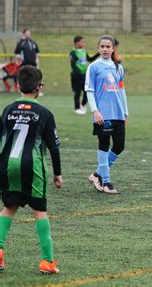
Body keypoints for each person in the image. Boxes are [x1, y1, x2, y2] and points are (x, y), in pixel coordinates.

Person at [0, 66, 63, 274]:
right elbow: (53, 146)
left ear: (17, 86)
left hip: (8, 164)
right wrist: (57, 174)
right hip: (32, 166)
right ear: (40, 88)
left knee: (9, 207)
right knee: (40, 211)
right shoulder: (44, 113)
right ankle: (47, 261)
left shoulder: (8, 110)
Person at [85, 35, 128, 195]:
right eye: (102, 46)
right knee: (103, 144)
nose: (104, 49)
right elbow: (89, 90)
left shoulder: (118, 67)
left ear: (112, 48)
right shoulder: (94, 67)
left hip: (118, 113)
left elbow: (122, 90)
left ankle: (96, 175)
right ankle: (106, 181)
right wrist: (95, 111)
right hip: (102, 114)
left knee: (119, 145)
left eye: (107, 46)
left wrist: (125, 111)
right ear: (98, 48)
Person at [70, 36, 99, 115]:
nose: (84, 43)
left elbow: (89, 59)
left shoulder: (84, 51)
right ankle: (77, 108)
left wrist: (98, 53)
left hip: (84, 75)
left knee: (86, 91)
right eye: (82, 42)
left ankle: (82, 105)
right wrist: (79, 72)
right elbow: (73, 64)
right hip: (76, 75)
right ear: (77, 43)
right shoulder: (73, 52)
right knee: (77, 92)